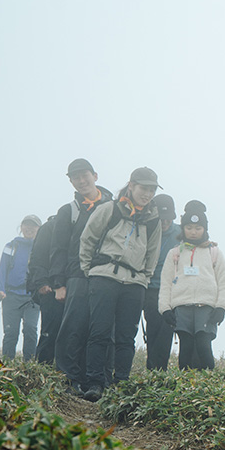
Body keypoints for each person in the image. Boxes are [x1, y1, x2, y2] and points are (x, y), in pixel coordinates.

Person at [78, 167, 163, 401]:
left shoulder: (153, 221)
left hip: (134, 283)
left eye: (152, 190)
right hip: (104, 277)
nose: (147, 194)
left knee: (127, 335)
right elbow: (88, 239)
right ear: (131, 185)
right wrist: (90, 270)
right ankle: (95, 382)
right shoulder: (110, 209)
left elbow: (152, 255)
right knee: (100, 331)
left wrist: (144, 279)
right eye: (144, 188)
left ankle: (121, 383)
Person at [51, 158, 114, 393]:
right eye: (75, 177)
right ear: (70, 181)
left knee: (102, 329)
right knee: (73, 329)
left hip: (106, 276)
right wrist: (59, 283)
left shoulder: (114, 207)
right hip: (76, 276)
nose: (81, 180)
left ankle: (98, 380)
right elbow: (58, 249)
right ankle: (69, 379)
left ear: (95, 175)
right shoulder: (69, 211)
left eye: (84, 174)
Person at [158, 201, 225, 370]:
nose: (193, 232)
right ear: (183, 228)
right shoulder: (175, 253)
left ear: (204, 229)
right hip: (181, 306)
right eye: (189, 227)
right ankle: (185, 383)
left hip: (206, 306)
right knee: (186, 345)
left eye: (198, 228)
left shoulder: (214, 252)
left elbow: (224, 282)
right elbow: (166, 283)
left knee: (203, 343)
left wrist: (221, 307)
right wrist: (165, 309)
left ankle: (208, 381)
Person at [142, 194, 181, 370]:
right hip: (148, 288)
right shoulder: (144, 230)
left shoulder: (181, 234)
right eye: (160, 219)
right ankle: (152, 369)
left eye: (168, 219)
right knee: (152, 329)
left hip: (171, 290)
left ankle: (160, 370)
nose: (164, 223)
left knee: (166, 331)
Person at [0, 215, 42, 360]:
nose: (29, 228)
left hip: (33, 297)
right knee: (10, 332)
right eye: (26, 225)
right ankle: (7, 365)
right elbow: (2, 269)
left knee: (30, 330)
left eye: (33, 226)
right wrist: (0, 289)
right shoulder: (11, 246)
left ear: (39, 229)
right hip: (11, 296)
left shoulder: (42, 248)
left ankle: (29, 364)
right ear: (21, 227)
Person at [25, 214, 62, 364]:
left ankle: (60, 370)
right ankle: (43, 368)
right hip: (49, 289)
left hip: (69, 288)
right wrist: (41, 283)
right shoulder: (50, 228)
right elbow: (38, 259)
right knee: (49, 331)